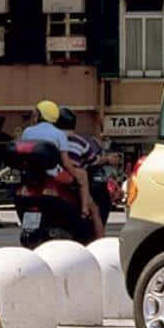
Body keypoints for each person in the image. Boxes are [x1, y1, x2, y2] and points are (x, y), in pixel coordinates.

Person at [21, 101, 101, 240]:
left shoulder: (27, 131)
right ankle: (84, 210)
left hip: (32, 175)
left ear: (40, 115)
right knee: (82, 174)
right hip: (54, 174)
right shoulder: (59, 134)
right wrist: (77, 175)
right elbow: (66, 163)